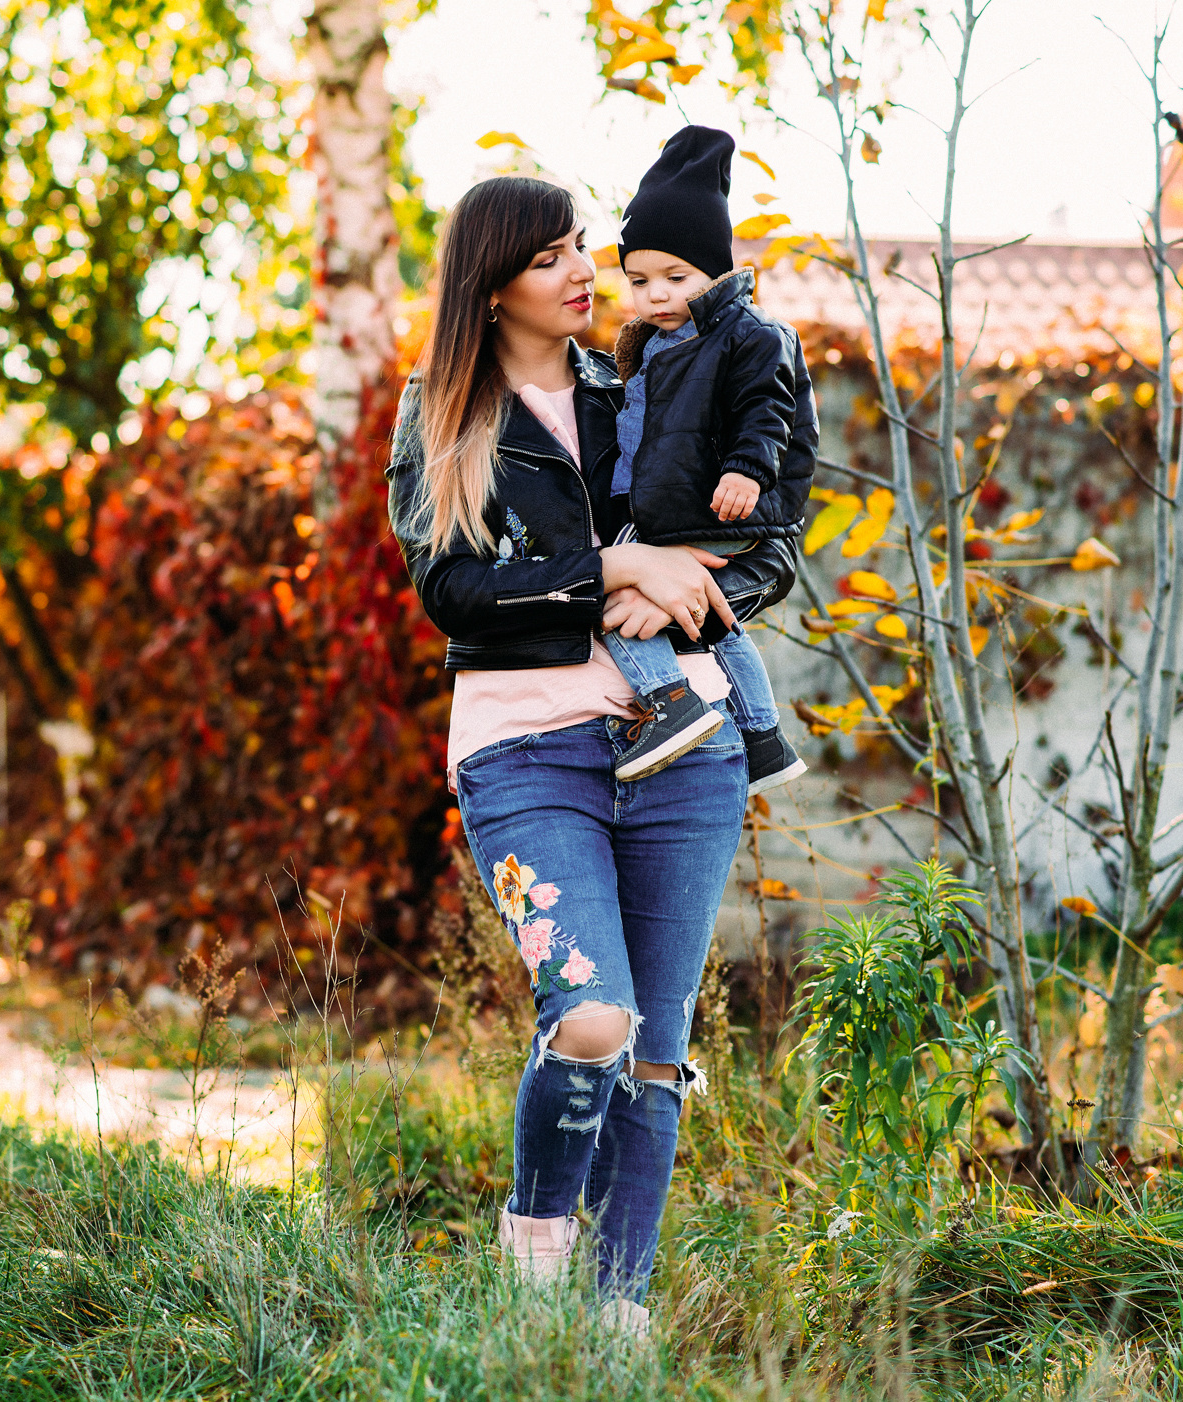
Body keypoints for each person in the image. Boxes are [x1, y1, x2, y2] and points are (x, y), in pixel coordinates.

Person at [385, 173, 800, 1333]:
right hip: (525, 752)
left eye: (583, 250)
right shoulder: (439, 414)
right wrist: (616, 570)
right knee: (591, 1018)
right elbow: (452, 590)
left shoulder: (651, 378)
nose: (586, 273)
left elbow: (767, 537)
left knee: (657, 1057)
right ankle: (535, 1264)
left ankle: (614, 1329)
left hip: (686, 747)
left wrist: (700, 586)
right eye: (553, 258)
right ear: (492, 285)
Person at [600, 124, 818, 791]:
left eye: (675, 276)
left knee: (613, 609)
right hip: (673, 515)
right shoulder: (651, 345)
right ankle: (763, 737)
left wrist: (745, 470)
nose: (656, 294)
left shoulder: (746, 334)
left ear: (714, 272)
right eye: (639, 279)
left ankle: (670, 703)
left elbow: (768, 407)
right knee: (717, 625)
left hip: (716, 507)